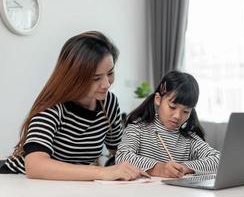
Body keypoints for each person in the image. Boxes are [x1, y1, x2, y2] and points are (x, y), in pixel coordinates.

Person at [0, 31, 148, 181]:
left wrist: (158, 166)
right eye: (96, 78)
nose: (106, 84)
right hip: (16, 182)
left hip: (64, 186)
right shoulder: (52, 107)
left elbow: (121, 151)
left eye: (110, 73)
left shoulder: (108, 103)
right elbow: (35, 166)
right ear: (74, 76)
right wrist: (103, 172)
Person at [116, 71, 220, 178]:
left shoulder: (189, 138)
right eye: (172, 107)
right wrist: (159, 169)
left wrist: (184, 167)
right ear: (158, 99)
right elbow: (122, 157)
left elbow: (218, 159)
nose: (178, 116)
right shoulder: (138, 128)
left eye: (186, 111)